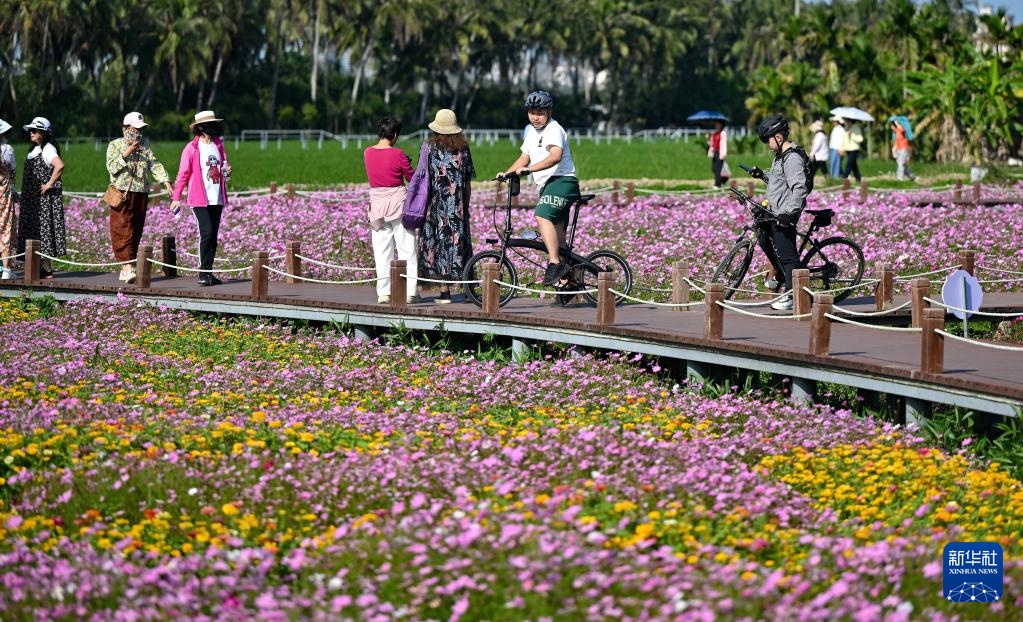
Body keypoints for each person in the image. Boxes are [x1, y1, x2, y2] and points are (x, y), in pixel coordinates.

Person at [499, 90, 580, 286]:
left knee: (542, 214)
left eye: (540, 113)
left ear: (549, 112)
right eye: (532, 112)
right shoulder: (533, 133)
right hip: (547, 186)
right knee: (560, 243)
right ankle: (572, 283)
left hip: (563, 182)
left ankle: (554, 264)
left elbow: (555, 156)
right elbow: (523, 158)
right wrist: (507, 173)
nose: (536, 117)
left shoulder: (553, 129)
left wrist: (529, 169)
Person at [746, 114, 808, 311]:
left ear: (779, 138)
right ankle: (781, 274)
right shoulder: (780, 158)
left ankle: (792, 295)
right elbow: (778, 181)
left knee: (789, 256)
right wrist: (762, 175)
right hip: (774, 211)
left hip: (784, 215)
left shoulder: (793, 159)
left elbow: (799, 188)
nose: (768, 145)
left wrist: (789, 214)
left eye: (768, 141)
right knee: (764, 238)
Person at [105, 112, 173, 283]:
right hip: (121, 193)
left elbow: (155, 164)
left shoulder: (144, 147)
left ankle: (127, 266)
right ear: (126, 128)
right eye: (135, 129)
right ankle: (128, 266)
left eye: (141, 129)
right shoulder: (115, 145)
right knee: (121, 229)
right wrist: (126, 152)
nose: (138, 133)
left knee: (136, 229)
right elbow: (111, 168)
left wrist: (166, 182)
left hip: (141, 193)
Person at [170, 110, 232, 286]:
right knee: (206, 232)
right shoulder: (191, 148)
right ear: (201, 128)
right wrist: (176, 197)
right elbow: (183, 174)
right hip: (199, 198)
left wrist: (227, 173)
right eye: (210, 125)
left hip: (216, 197)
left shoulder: (219, 145)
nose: (213, 128)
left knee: (213, 236)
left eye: (214, 124)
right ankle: (203, 272)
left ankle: (209, 272)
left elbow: (224, 169)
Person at [418, 109, 474, 303]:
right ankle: (469, 290)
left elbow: (422, 178)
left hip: (436, 205)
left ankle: (445, 293)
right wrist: (464, 203)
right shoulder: (463, 149)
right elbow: (467, 181)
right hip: (457, 206)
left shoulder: (428, 148)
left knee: (441, 246)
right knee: (460, 245)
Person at [364, 116, 419, 304]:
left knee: (381, 251)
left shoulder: (367, 152)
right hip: (398, 205)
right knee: (407, 249)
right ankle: (410, 292)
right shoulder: (398, 153)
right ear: (394, 134)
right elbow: (411, 176)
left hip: (377, 206)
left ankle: (384, 292)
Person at [16, 117, 65, 279]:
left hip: (41, 200)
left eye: (35, 130)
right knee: (35, 231)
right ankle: (39, 267)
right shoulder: (35, 150)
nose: (31, 133)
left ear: (43, 133)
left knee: (43, 231)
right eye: (31, 130)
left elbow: (59, 165)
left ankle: (46, 268)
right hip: (33, 200)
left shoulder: (48, 149)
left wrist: (49, 184)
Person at [0, 118, 14, 280]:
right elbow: (11, 168)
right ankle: (6, 269)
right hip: (4, 192)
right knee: (5, 227)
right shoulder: (7, 149)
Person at [708, 120, 728, 187]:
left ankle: (717, 184)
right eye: (716, 124)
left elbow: (723, 144)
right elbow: (711, 143)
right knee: (713, 168)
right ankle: (721, 181)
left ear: (721, 125)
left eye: (718, 124)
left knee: (718, 169)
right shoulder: (715, 134)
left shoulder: (723, 133)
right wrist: (708, 138)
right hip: (714, 152)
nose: (716, 125)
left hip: (720, 152)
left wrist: (724, 154)